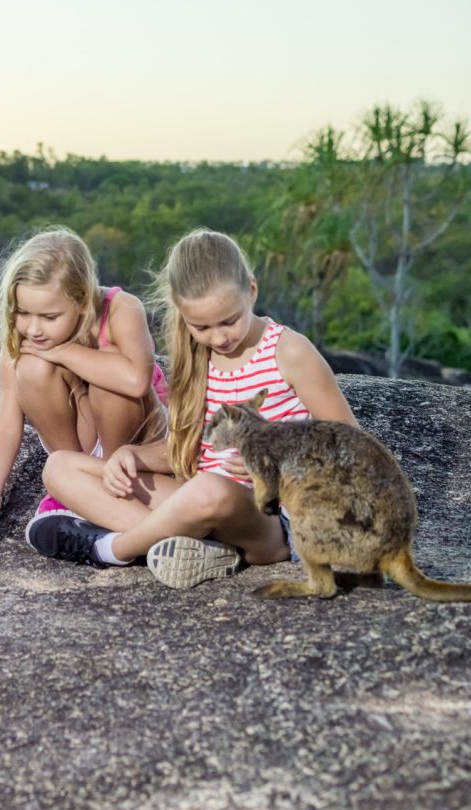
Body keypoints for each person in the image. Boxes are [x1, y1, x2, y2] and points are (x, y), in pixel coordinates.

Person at [31, 229, 358, 589]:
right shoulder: (195, 357)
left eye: (229, 321)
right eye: (201, 326)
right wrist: (133, 456)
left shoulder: (289, 351)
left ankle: (110, 548)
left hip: (273, 517)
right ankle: (200, 548)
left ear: (251, 290)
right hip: (199, 500)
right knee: (60, 467)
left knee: (209, 490)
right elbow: (190, 452)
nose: (219, 338)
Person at [0, 228, 168, 533]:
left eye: (49, 317)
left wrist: (63, 351)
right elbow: (6, 426)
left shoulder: (121, 308)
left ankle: (108, 490)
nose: (34, 329)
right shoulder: (24, 341)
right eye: (23, 313)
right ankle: (74, 486)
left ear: (82, 301)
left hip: (137, 439)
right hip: (77, 450)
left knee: (111, 370)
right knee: (32, 367)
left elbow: (136, 381)